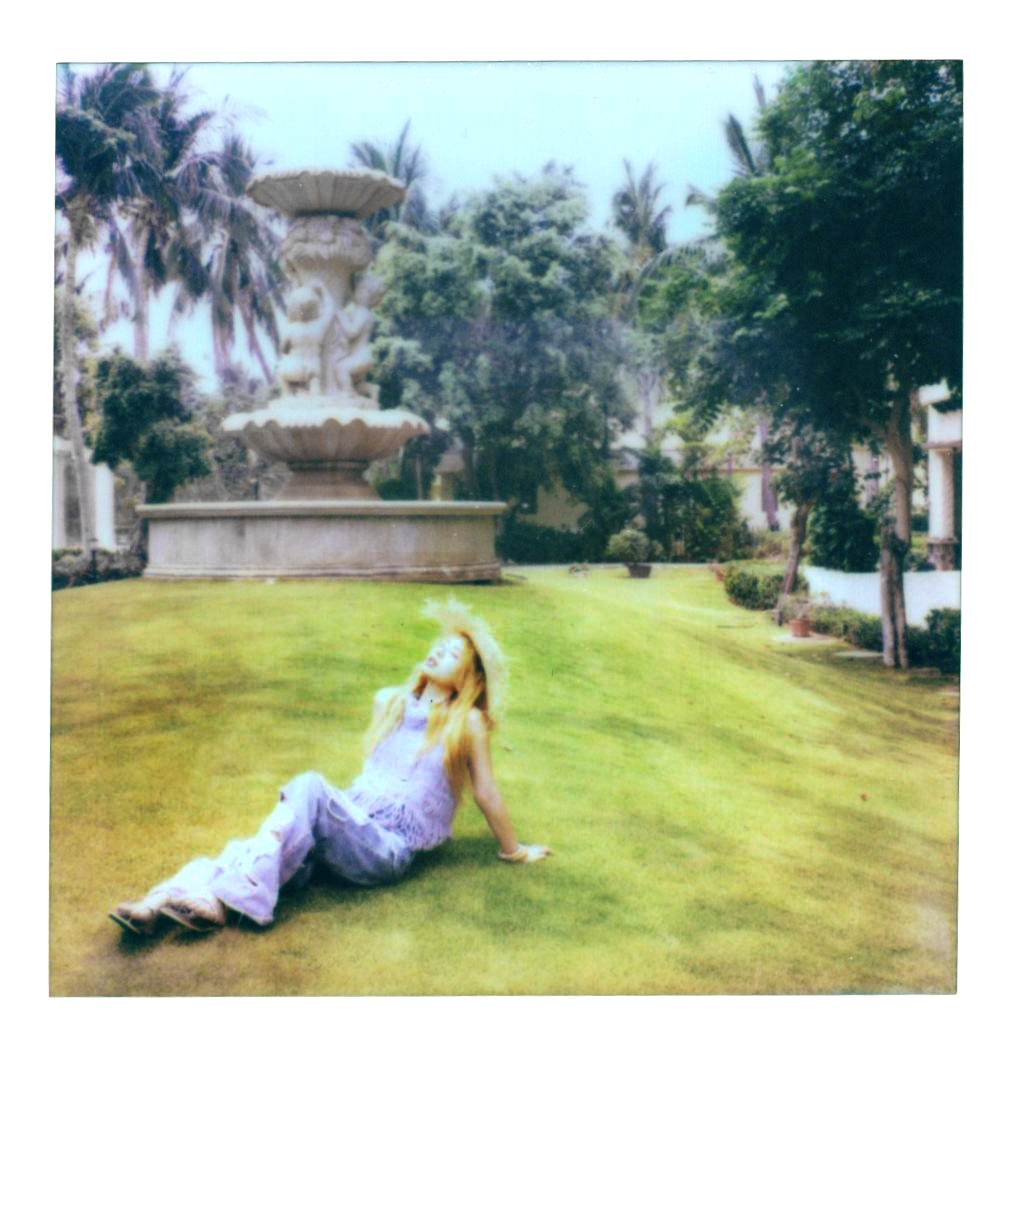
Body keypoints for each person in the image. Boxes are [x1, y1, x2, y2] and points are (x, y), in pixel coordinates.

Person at [109, 598, 551, 936]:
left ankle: (227, 899)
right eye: (438, 646)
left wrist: (514, 850)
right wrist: (424, 689)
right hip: (351, 829)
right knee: (273, 837)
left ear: (468, 678)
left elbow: (486, 792)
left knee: (309, 788)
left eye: (452, 654)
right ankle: (160, 901)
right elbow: (410, 707)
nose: (437, 653)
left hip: (385, 850)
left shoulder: (467, 722)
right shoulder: (393, 703)